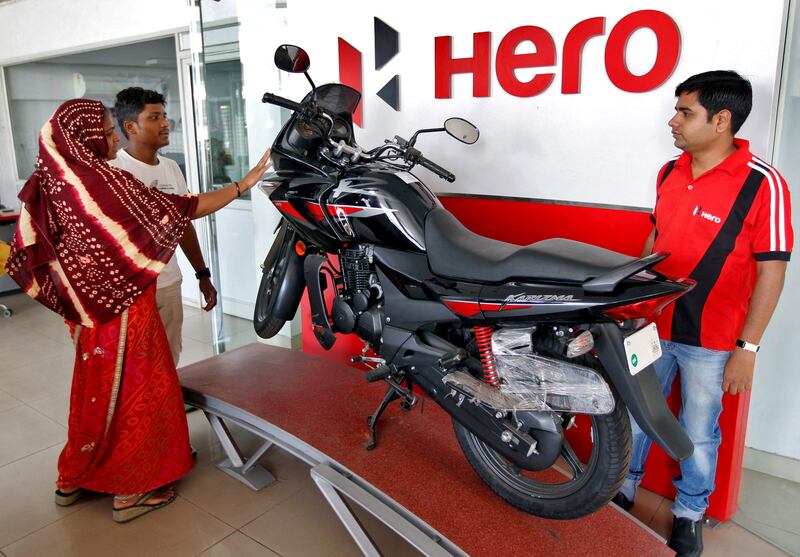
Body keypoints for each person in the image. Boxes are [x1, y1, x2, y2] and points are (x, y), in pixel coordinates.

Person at [5, 98, 271, 523]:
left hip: (89, 311)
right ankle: (133, 489)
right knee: (139, 393)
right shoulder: (104, 182)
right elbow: (183, 210)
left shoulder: (56, 182)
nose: (112, 138)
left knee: (93, 392)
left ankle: (74, 478)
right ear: (89, 137)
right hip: (126, 307)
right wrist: (245, 184)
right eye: (108, 132)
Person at [613, 71, 793, 556]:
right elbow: (656, 237)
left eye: (684, 112)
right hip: (651, 327)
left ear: (721, 120)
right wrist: (632, 301)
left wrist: (748, 349)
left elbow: (772, 273)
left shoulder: (764, 185)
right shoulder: (669, 172)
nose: (673, 121)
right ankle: (622, 489)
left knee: (698, 429)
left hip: (711, 341)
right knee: (633, 414)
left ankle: (690, 513)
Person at [110, 87, 214, 366]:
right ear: (131, 126)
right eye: (154, 117)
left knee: (169, 356)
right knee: (133, 362)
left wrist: (202, 273)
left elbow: (184, 225)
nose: (165, 123)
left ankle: (168, 408)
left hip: (167, 282)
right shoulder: (113, 170)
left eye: (165, 116)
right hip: (131, 290)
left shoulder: (171, 168)